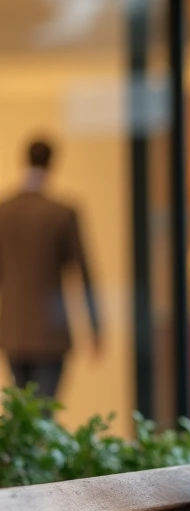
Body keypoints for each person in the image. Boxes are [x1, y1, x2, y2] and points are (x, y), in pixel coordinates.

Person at [0, 138, 102, 400]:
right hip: (51, 332)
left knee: (23, 412)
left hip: (12, 330)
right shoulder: (62, 213)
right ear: (53, 163)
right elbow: (83, 271)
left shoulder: (5, 212)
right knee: (44, 410)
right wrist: (95, 326)